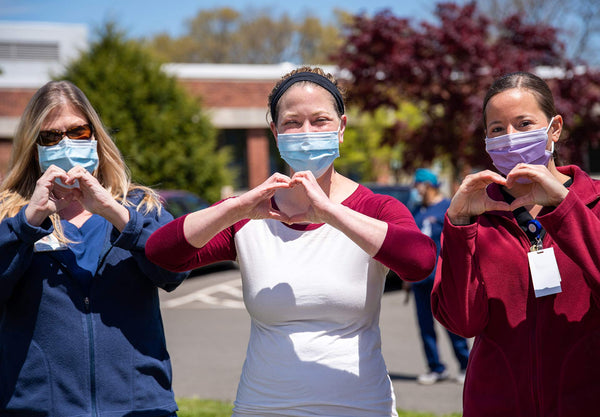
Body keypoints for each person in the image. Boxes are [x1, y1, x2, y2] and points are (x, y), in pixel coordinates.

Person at [146, 66, 437, 417]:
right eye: (292, 123)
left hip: (360, 406)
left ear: (341, 128)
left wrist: (331, 213)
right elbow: (162, 253)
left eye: (320, 120)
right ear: (275, 131)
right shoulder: (251, 214)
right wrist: (235, 207)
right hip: (262, 406)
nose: (307, 132)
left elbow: (420, 261)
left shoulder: (375, 208)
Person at [0, 80, 188, 416]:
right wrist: (28, 223)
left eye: (78, 131)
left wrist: (115, 213)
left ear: (96, 138)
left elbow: (175, 270)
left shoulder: (140, 206)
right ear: (34, 147)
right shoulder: (10, 215)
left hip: (140, 407)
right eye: (51, 136)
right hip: (37, 408)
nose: (66, 143)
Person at [431, 71, 600, 417]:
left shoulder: (594, 203)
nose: (510, 139)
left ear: (554, 128)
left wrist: (565, 209)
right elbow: (462, 323)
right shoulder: (477, 214)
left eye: (524, 124)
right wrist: (460, 225)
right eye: (496, 129)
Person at [410, 168, 469, 385]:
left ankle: (465, 365)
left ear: (429, 185)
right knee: (425, 327)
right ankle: (436, 367)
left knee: (452, 324)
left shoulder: (447, 208)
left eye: (419, 184)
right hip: (419, 280)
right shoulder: (416, 211)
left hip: (442, 279)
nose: (416, 189)